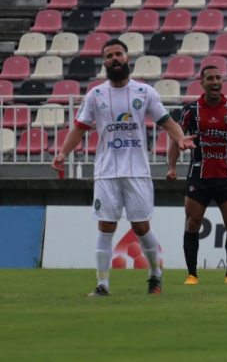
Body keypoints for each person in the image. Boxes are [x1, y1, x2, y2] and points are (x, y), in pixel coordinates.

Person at [51, 39, 196, 296]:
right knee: (106, 226)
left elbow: (165, 120)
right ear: (104, 62)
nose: (115, 58)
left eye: (119, 54)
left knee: (141, 227)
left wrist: (180, 137)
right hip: (106, 172)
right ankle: (102, 284)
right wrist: (63, 152)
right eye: (110, 56)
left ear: (127, 59)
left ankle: (155, 274)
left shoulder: (144, 92)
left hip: (137, 171)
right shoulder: (95, 94)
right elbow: (79, 128)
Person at [166, 65, 227, 286]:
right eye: (210, 78)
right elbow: (176, 140)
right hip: (199, 175)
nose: (215, 82)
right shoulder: (190, 110)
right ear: (202, 83)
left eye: (218, 78)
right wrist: (172, 167)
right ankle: (192, 275)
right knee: (192, 223)